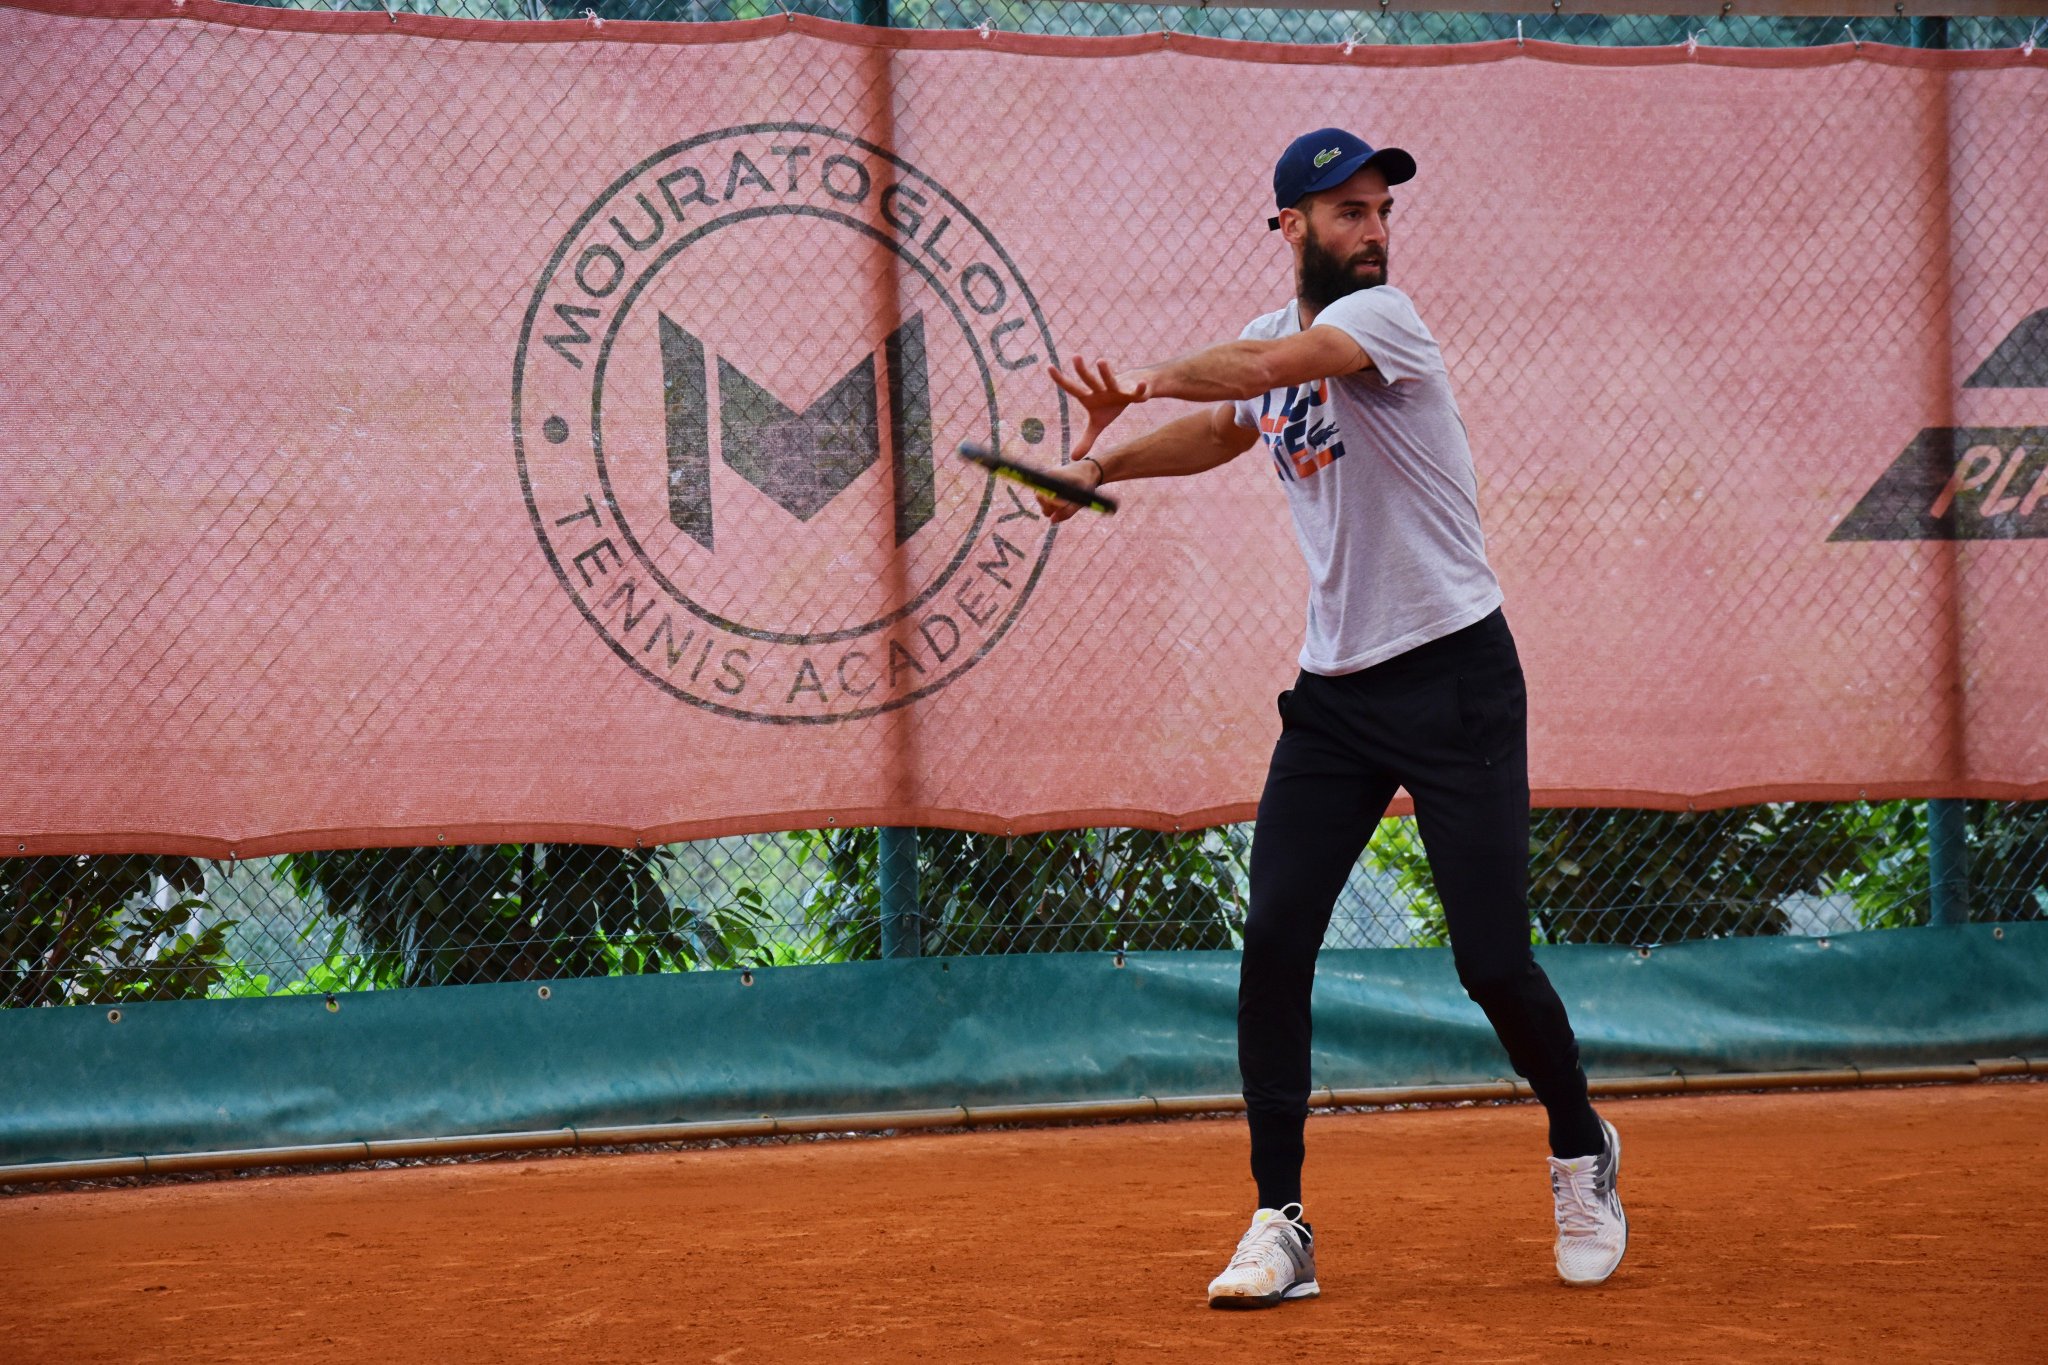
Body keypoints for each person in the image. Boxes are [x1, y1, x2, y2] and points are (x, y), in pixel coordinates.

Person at [1036, 128, 1627, 1307]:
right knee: (1273, 941)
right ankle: (1279, 1219)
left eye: (1381, 211)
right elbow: (1227, 426)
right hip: (1335, 699)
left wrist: (1140, 378)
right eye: (1347, 212)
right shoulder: (1269, 342)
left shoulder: (1381, 324)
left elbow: (1261, 371)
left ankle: (1579, 1145)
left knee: (1489, 963)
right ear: (1289, 225)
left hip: (1456, 678)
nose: (1372, 231)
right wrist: (1104, 471)